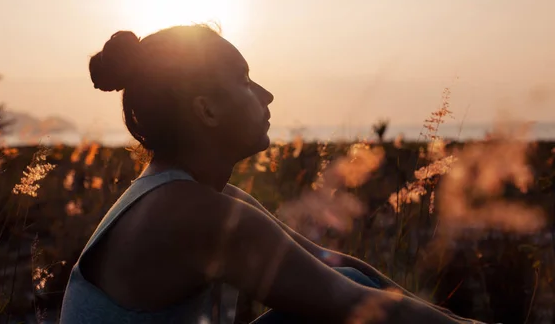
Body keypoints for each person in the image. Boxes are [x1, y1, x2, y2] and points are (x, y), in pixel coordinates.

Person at [60, 24, 478, 323]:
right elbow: (351, 304)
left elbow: (340, 268)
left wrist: (453, 320)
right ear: (206, 109)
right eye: (244, 81)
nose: (266, 94)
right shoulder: (191, 212)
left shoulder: (198, 196)